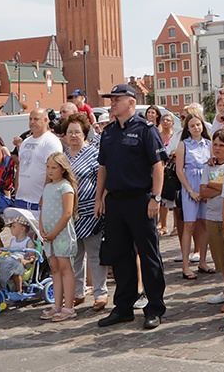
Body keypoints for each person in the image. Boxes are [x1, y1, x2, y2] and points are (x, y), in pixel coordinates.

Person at [96, 83, 167, 330]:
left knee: (148, 255)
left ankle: (154, 307)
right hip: (115, 200)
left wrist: (155, 198)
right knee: (120, 255)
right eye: (111, 99)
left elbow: (158, 166)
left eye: (116, 99)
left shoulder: (146, 130)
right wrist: (99, 198)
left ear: (131, 103)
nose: (112, 103)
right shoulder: (108, 132)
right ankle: (124, 307)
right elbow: (102, 167)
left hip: (140, 198)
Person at [61, 114, 109, 311]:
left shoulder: (93, 154)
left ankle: (101, 293)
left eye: (77, 132)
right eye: (70, 132)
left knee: (95, 253)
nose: (73, 136)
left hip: (91, 211)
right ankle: (77, 293)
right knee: (75, 254)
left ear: (84, 133)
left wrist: (101, 200)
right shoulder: (62, 156)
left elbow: (104, 180)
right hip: (69, 213)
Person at [39, 153, 78, 322]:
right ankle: (57, 304)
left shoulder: (65, 186)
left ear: (62, 168)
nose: (50, 171)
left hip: (61, 233)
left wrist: (55, 232)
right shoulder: (47, 187)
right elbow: (43, 210)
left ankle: (69, 306)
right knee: (54, 268)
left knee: (64, 267)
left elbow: (67, 212)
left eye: (54, 167)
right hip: (49, 234)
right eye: (48, 167)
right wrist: (41, 228)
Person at [175, 113, 213, 278]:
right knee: (189, 225)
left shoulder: (209, 144)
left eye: (198, 124)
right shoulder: (183, 144)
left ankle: (203, 261)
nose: (196, 128)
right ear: (188, 129)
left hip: (205, 184)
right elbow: (179, 170)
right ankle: (185, 265)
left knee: (204, 224)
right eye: (192, 125)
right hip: (190, 185)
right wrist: (190, 190)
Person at [200, 129, 224, 311]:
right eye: (215, 145)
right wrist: (221, 186)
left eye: (222, 145)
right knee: (220, 257)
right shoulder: (209, 167)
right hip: (212, 216)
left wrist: (213, 185)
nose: (218, 148)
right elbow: (203, 193)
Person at [15, 109, 64, 212]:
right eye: (30, 119)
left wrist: (45, 195)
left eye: (36, 119)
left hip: (38, 200)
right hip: (21, 198)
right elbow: (20, 166)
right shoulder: (25, 142)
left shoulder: (51, 141)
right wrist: (17, 190)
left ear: (46, 120)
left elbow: (53, 170)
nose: (32, 122)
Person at [0, 217, 36, 293]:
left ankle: (19, 290)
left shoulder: (28, 241)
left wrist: (26, 261)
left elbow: (32, 256)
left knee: (16, 269)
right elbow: (9, 251)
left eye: (13, 227)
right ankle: (2, 286)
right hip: (12, 262)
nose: (11, 229)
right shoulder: (13, 241)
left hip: (22, 264)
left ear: (22, 229)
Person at [158, 111, 178, 236]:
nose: (165, 122)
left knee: (174, 198)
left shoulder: (175, 136)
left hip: (173, 169)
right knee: (162, 199)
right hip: (160, 169)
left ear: (172, 123)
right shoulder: (157, 136)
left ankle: (176, 226)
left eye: (168, 120)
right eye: (163, 120)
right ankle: (163, 225)